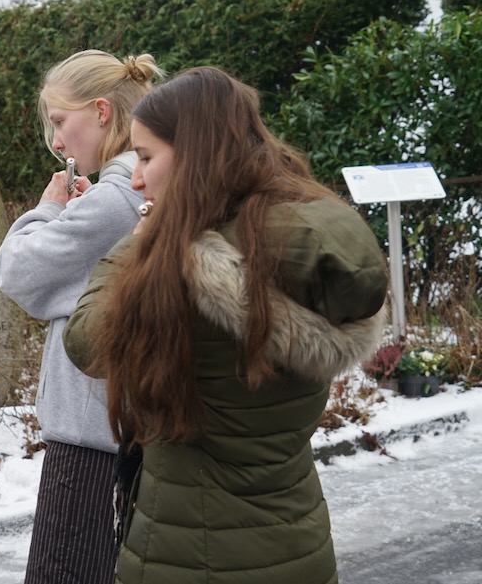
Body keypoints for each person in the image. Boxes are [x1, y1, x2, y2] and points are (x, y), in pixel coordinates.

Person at [62, 66, 389, 584]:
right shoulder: (289, 242)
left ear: (194, 156)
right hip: (297, 545)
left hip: (192, 555)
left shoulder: (176, 275)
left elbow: (86, 341)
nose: (137, 179)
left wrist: (140, 243)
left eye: (145, 157)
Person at [0, 49, 164, 583]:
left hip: (91, 439)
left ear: (102, 111)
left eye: (60, 121)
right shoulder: (139, 187)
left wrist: (49, 209)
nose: (57, 141)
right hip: (117, 429)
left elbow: (16, 271)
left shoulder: (118, 196)